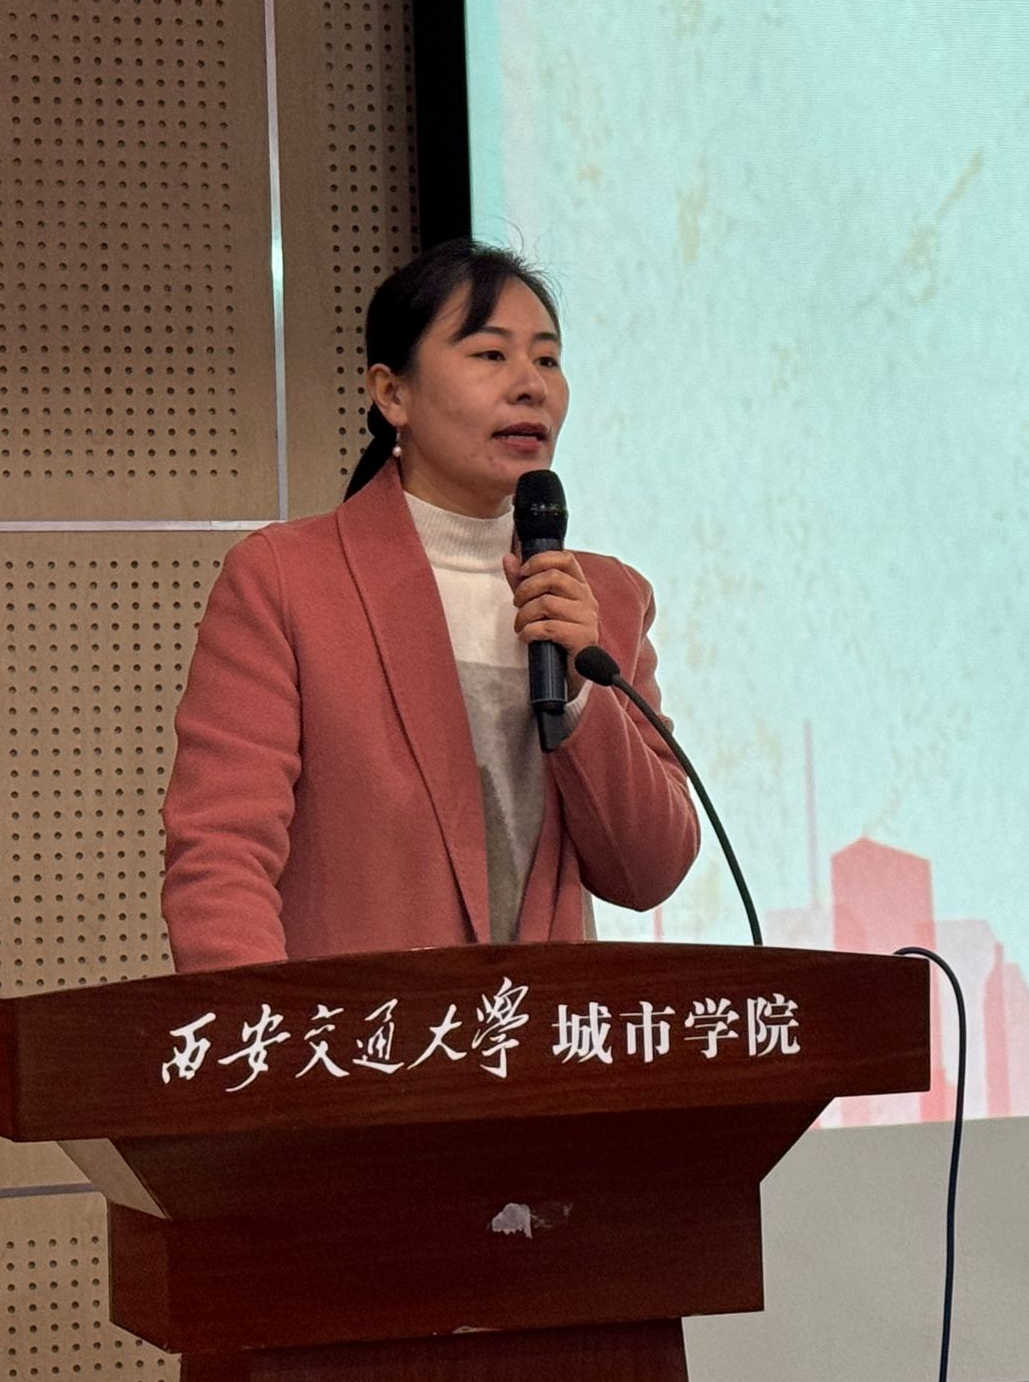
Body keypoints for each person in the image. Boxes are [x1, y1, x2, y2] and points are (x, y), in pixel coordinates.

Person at [160, 240, 699, 974]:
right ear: (392, 395)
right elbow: (221, 858)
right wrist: (268, 1031)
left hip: (543, 1035)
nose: (530, 386)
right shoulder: (287, 581)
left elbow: (650, 871)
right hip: (361, 1034)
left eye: (547, 359)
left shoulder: (606, 597)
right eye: (490, 355)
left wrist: (582, 696)